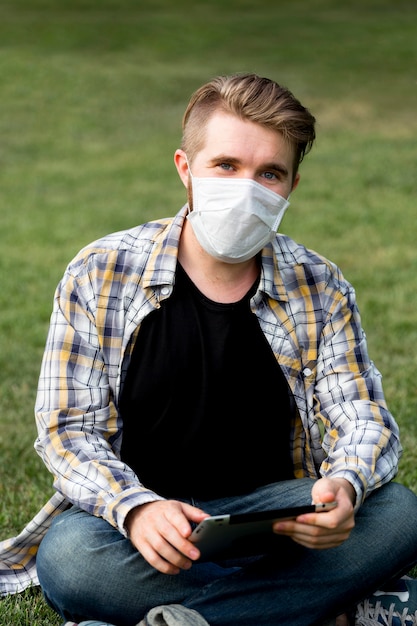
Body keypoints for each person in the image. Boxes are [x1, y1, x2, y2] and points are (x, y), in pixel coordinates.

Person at [1, 73, 417, 626]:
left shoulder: (320, 284)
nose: (248, 187)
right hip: (148, 527)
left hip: (278, 518)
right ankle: (319, 607)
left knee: (398, 514)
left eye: (269, 173)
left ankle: (192, 617)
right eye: (226, 166)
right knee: (71, 559)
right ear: (185, 169)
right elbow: (67, 431)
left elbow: (362, 416)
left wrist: (344, 486)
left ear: (291, 186)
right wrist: (138, 509)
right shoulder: (100, 272)